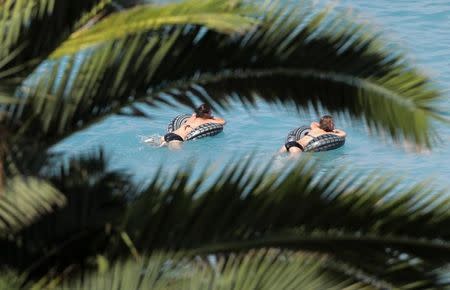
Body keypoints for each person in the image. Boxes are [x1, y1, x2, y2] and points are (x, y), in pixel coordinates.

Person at [161, 103, 226, 149]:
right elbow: (223, 122)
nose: (211, 113)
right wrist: (211, 117)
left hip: (169, 134)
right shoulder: (208, 121)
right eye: (210, 112)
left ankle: (165, 143)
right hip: (177, 139)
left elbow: (195, 113)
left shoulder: (193, 117)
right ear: (207, 114)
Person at [279, 115, 346, 154]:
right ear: (330, 125)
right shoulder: (328, 133)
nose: (334, 125)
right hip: (298, 148)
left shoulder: (314, 128)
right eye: (333, 123)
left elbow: (313, 123)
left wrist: (322, 125)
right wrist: (335, 130)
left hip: (290, 143)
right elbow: (343, 134)